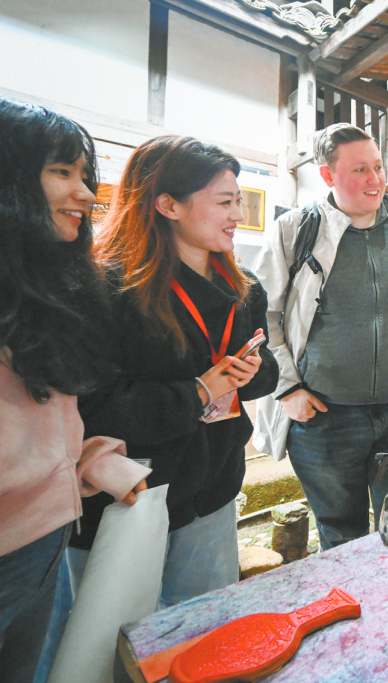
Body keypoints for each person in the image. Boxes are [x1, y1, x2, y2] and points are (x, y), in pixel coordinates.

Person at [69, 136, 279, 609]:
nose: (238, 214)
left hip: (213, 490)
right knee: (116, 635)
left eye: (239, 201)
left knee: (203, 623)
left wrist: (253, 371)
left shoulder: (243, 287)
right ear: (168, 205)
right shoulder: (107, 286)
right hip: (129, 495)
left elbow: (268, 371)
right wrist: (198, 392)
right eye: (224, 202)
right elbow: (91, 406)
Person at [0, 98, 149, 682]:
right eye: (61, 172)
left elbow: (38, 420)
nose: (86, 195)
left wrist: (89, 462)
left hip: (42, 541)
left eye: (85, 176)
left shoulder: (43, 289)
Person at [254, 123, 388, 550]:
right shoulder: (294, 231)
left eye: (378, 167)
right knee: (341, 538)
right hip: (326, 418)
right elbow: (263, 318)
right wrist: (288, 389)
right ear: (327, 175)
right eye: (360, 170)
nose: (375, 179)